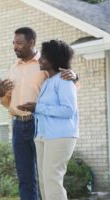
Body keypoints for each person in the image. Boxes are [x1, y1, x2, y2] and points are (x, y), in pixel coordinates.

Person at [0, 27, 78, 200]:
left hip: (40, 123)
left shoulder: (47, 63)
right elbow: (7, 100)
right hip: (18, 124)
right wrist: (0, 92)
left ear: (31, 42)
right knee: (27, 178)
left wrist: (75, 76)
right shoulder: (13, 69)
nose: (15, 47)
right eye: (13, 43)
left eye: (19, 43)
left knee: (50, 177)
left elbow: (68, 90)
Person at [19, 39, 78, 200]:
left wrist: (37, 108)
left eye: (43, 56)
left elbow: (68, 110)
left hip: (60, 136)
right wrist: (33, 108)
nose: (39, 59)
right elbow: (46, 110)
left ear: (53, 59)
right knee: (45, 182)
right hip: (43, 136)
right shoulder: (48, 82)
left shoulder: (64, 80)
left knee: (53, 180)